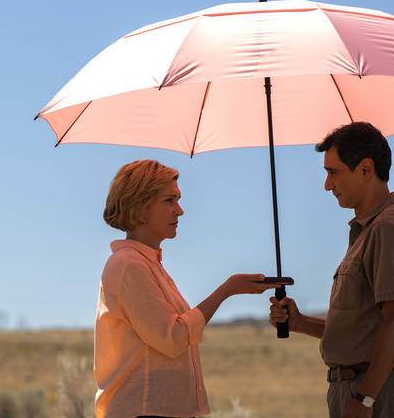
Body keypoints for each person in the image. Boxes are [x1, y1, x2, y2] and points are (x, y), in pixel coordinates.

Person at [95, 159, 280, 418]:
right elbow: (174, 338)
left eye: (178, 200)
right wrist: (228, 289)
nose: (179, 210)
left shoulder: (147, 263)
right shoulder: (129, 265)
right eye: (169, 200)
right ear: (140, 204)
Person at [269, 122, 394, 418]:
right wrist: (300, 322)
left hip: (374, 395)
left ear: (366, 169)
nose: (328, 185)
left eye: (334, 172)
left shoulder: (388, 227)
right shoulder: (370, 230)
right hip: (361, 391)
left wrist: (365, 399)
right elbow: (364, 329)